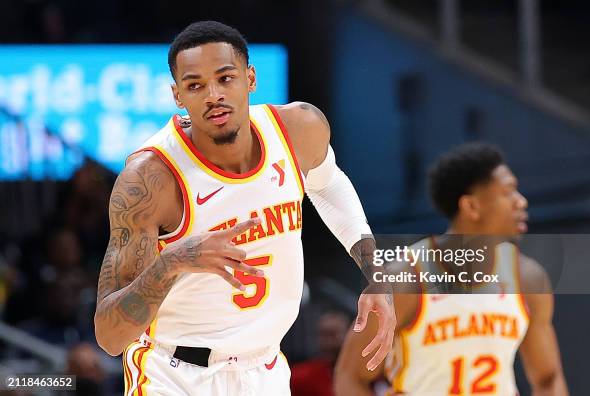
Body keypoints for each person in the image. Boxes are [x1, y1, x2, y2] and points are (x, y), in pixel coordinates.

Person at [93, 21, 395, 395]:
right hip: (174, 375)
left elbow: (329, 184)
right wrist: (172, 261)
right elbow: (109, 335)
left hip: (264, 369)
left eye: (225, 78)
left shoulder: (298, 129)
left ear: (250, 79)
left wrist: (377, 274)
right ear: (177, 96)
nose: (213, 95)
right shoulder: (151, 180)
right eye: (195, 85)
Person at [334, 143, 569, 395]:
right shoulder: (406, 279)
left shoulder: (528, 278)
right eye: (508, 192)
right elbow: (350, 376)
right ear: (471, 207)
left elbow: (548, 378)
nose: (521, 202)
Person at [290, 311, 350, 396]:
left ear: (348, 336)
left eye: (333, 335)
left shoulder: (364, 375)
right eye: (323, 335)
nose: (327, 343)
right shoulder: (300, 376)